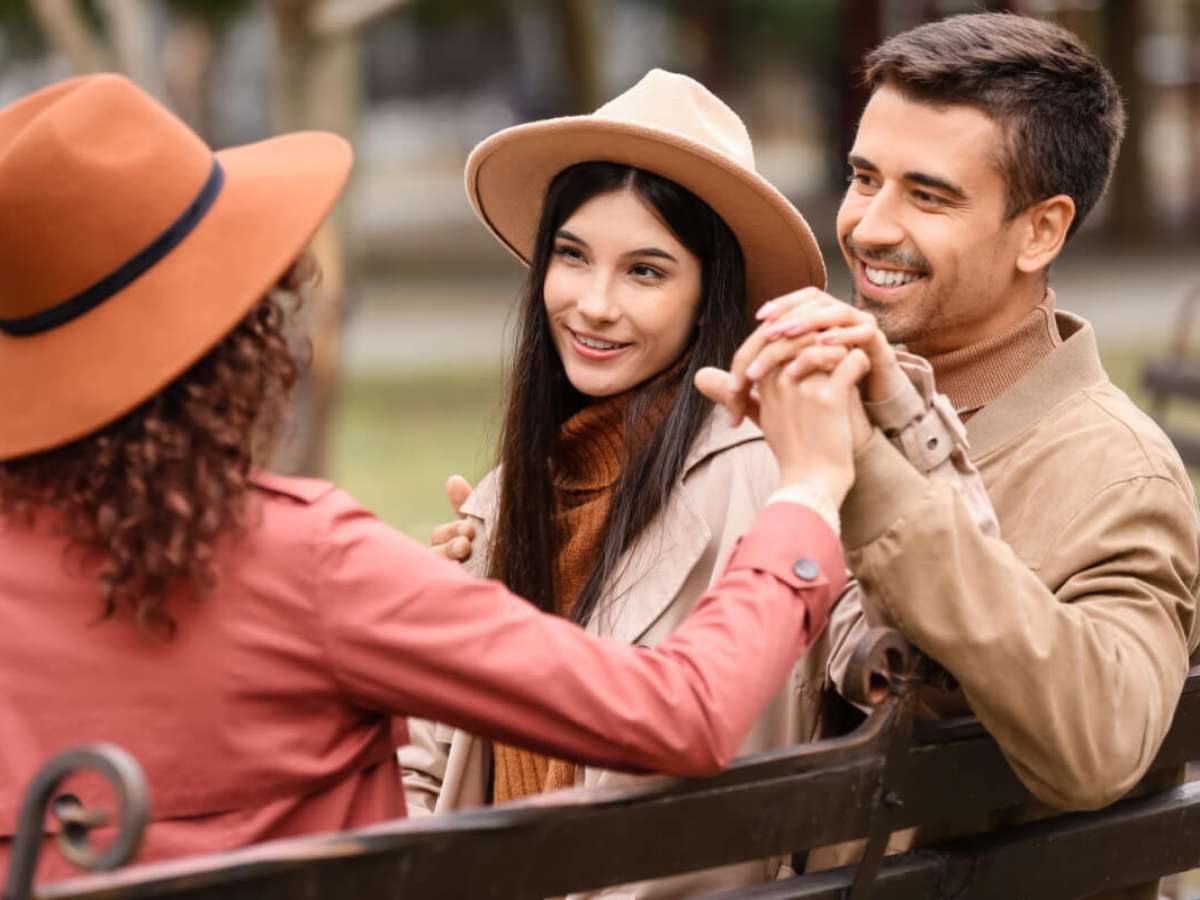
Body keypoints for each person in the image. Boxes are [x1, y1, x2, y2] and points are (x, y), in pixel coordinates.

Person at [0, 73, 864, 886]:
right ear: (234, 346)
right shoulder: (308, 562)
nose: (597, 303)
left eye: (644, 269)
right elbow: (682, 713)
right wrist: (808, 498)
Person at [403, 69, 990, 897]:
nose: (593, 304)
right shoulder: (510, 497)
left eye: (645, 271)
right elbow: (425, 770)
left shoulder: (781, 476)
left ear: (706, 293)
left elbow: (945, 664)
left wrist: (897, 409)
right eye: (572, 256)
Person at [703, 13, 1200, 898]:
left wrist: (869, 472)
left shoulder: (1118, 472)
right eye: (863, 178)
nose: (867, 227)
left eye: (928, 197)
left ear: (1040, 231)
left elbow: (1100, 744)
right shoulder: (810, 393)